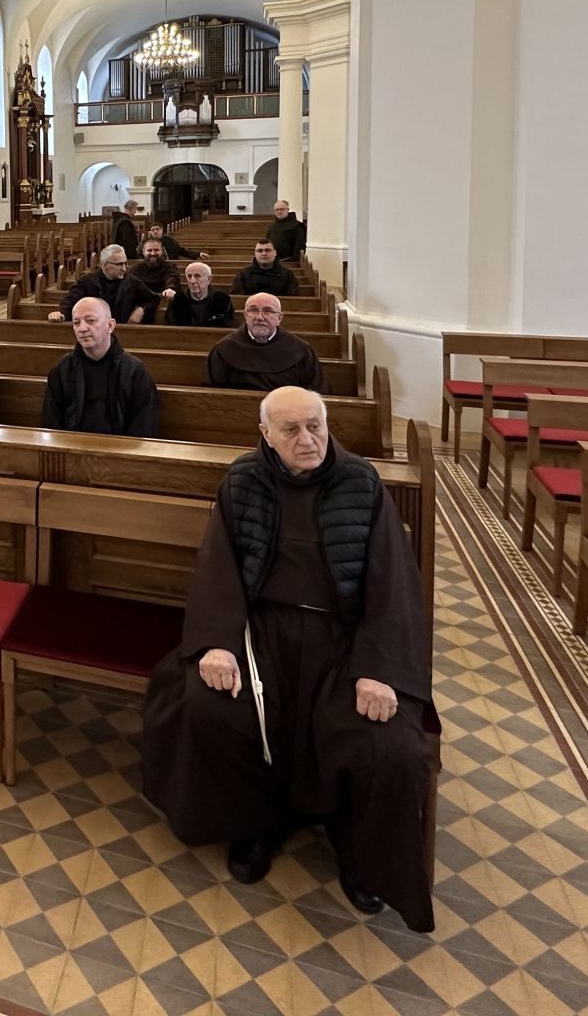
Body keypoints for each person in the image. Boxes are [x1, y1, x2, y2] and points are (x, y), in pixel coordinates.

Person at [140, 386, 436, 932]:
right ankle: (252, 825)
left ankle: (364, 859)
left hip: (344, 642)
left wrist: (378, 670)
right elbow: (218, 567)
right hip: (262, 635)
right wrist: (219, 643)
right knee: (207, 708)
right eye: (291, 430)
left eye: (315, 425)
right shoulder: (243, 481)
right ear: (266, 435)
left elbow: (392, 584)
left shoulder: (361, 482)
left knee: (390, 745)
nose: (308, 439)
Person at [41, 297, 158, 438]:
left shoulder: (135, 372)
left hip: (121, 449)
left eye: (90, 321)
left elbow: (143, 428)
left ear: (110, 326)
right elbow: (51, 425)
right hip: (71, 447)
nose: (82, 328)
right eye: (76, 323)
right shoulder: (62, 370)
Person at [208, 294, 327, 393]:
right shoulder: (224, 348)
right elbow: (211, 393)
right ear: (245, 315)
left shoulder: (301, 350)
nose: (260, 317)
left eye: (268, 311)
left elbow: (316, 394)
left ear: (279, 318)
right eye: (253, 310)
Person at [51, 245, 154, 326]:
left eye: (125, 263)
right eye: (119, 264)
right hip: (94, 331)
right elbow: (70, 300)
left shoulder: (131, 282)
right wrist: (61, 313)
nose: (124, 268)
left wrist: (141, 309)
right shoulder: (86, 282)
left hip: (122, 331)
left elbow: (153, 298)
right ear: (104, 265)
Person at [161, 261, 234, 328]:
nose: (192, 281)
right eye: (189, 276)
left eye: (197, 276)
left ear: (209, 279)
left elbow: (227, 329)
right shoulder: (177, 299)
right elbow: (169, 329)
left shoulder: (223, 300)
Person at [232, 240, 299, 300]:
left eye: (267, 250)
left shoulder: (287, 274)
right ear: (255, 254)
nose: (264, 253)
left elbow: (293, 300)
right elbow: (237, 299)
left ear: (275, 253)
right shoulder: (243, 274)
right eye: (260, 251)